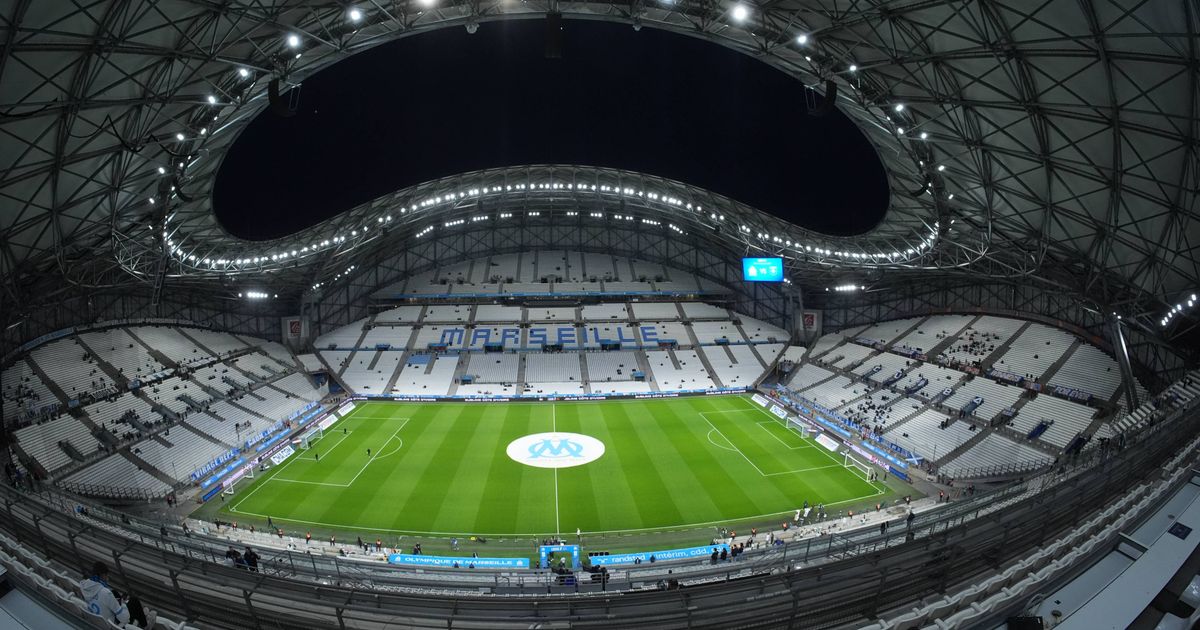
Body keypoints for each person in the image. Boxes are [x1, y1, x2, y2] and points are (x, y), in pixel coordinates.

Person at [79, 561, 129, 626]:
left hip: (94, 621)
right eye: (106, 575)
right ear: (102, 575)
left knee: (115, 593)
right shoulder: (106, 593)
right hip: (109, 625)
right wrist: (123, 605)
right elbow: (124, 619)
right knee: (134, 602)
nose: (107, 577)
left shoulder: (83, 585)